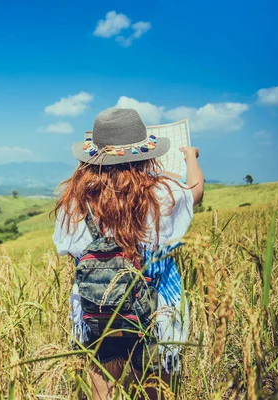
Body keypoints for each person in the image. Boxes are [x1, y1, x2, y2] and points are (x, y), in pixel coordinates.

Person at [52, 108, 204, 399]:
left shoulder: (75, 201)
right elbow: (195, 192)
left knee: (100, 372)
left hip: (97, 307)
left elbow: (69, 252)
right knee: (153, 383)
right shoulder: (165, 192)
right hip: (155, 305)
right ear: (145, 153)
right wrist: (190, 158)